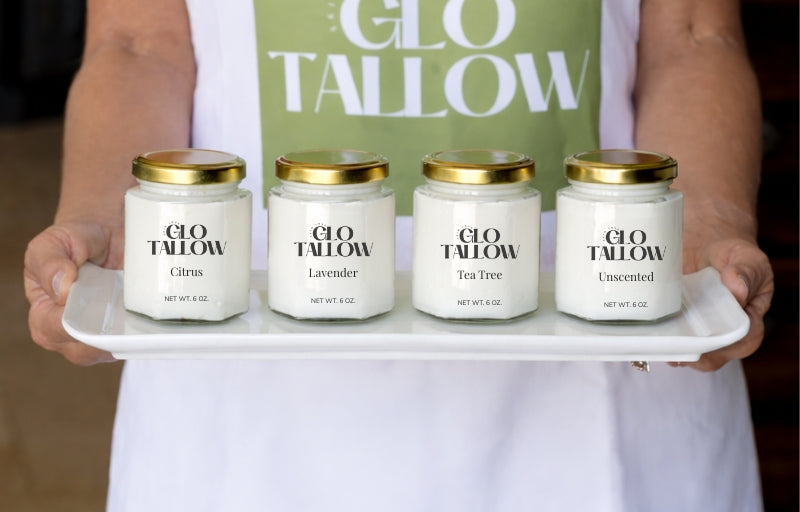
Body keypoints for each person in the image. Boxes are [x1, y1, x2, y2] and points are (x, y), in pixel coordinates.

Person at [24, 0, 774, 510]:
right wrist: (104, 218)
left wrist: (706, 222)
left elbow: (692, 35)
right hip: (245, 368)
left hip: (612, 343)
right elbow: (136, 42)